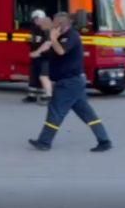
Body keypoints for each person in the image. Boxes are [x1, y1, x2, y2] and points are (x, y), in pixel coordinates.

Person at [28, 11, 111, 152]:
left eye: (54, 22)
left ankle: (44, 142)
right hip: (72, 82)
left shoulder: (71, 36)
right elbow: (53, 51)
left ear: (61, 24)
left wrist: (53, 39)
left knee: (55, 110)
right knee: (87, 113)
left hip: (69, 83)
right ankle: (104, 140)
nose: (52, 24)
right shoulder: (61, 36)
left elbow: (61, 52)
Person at [25, 10, 54, 104]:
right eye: (34, 19)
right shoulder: (34, 28)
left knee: (44, 75)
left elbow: (48, 43)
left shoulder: (47, 28)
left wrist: (38, 52)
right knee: (33, 75)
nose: (35, 21)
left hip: (45, 56)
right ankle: (31, 95)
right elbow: (34, 40)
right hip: (36, 56)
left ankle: (47, 96)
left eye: (37, 19)